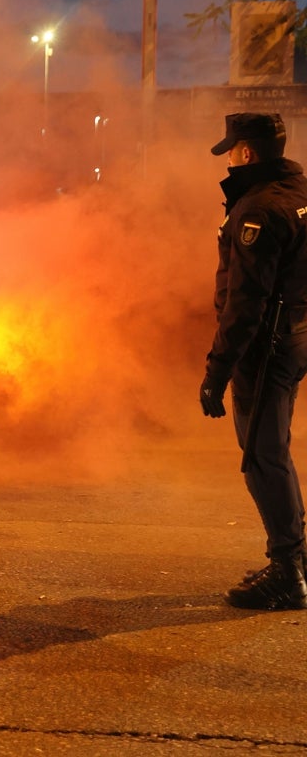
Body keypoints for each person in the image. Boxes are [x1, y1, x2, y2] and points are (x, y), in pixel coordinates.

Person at [199, 112, 307, 611]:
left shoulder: (258, 211)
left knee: (262, 455)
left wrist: (216, 372)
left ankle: (288, 571)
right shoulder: (298, 194)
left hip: (265, 347)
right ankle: (297, 562)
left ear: (248, 152)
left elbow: (245, 305)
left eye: (234, 150)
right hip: (296, 334)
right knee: (274, 448)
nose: (231, 158)